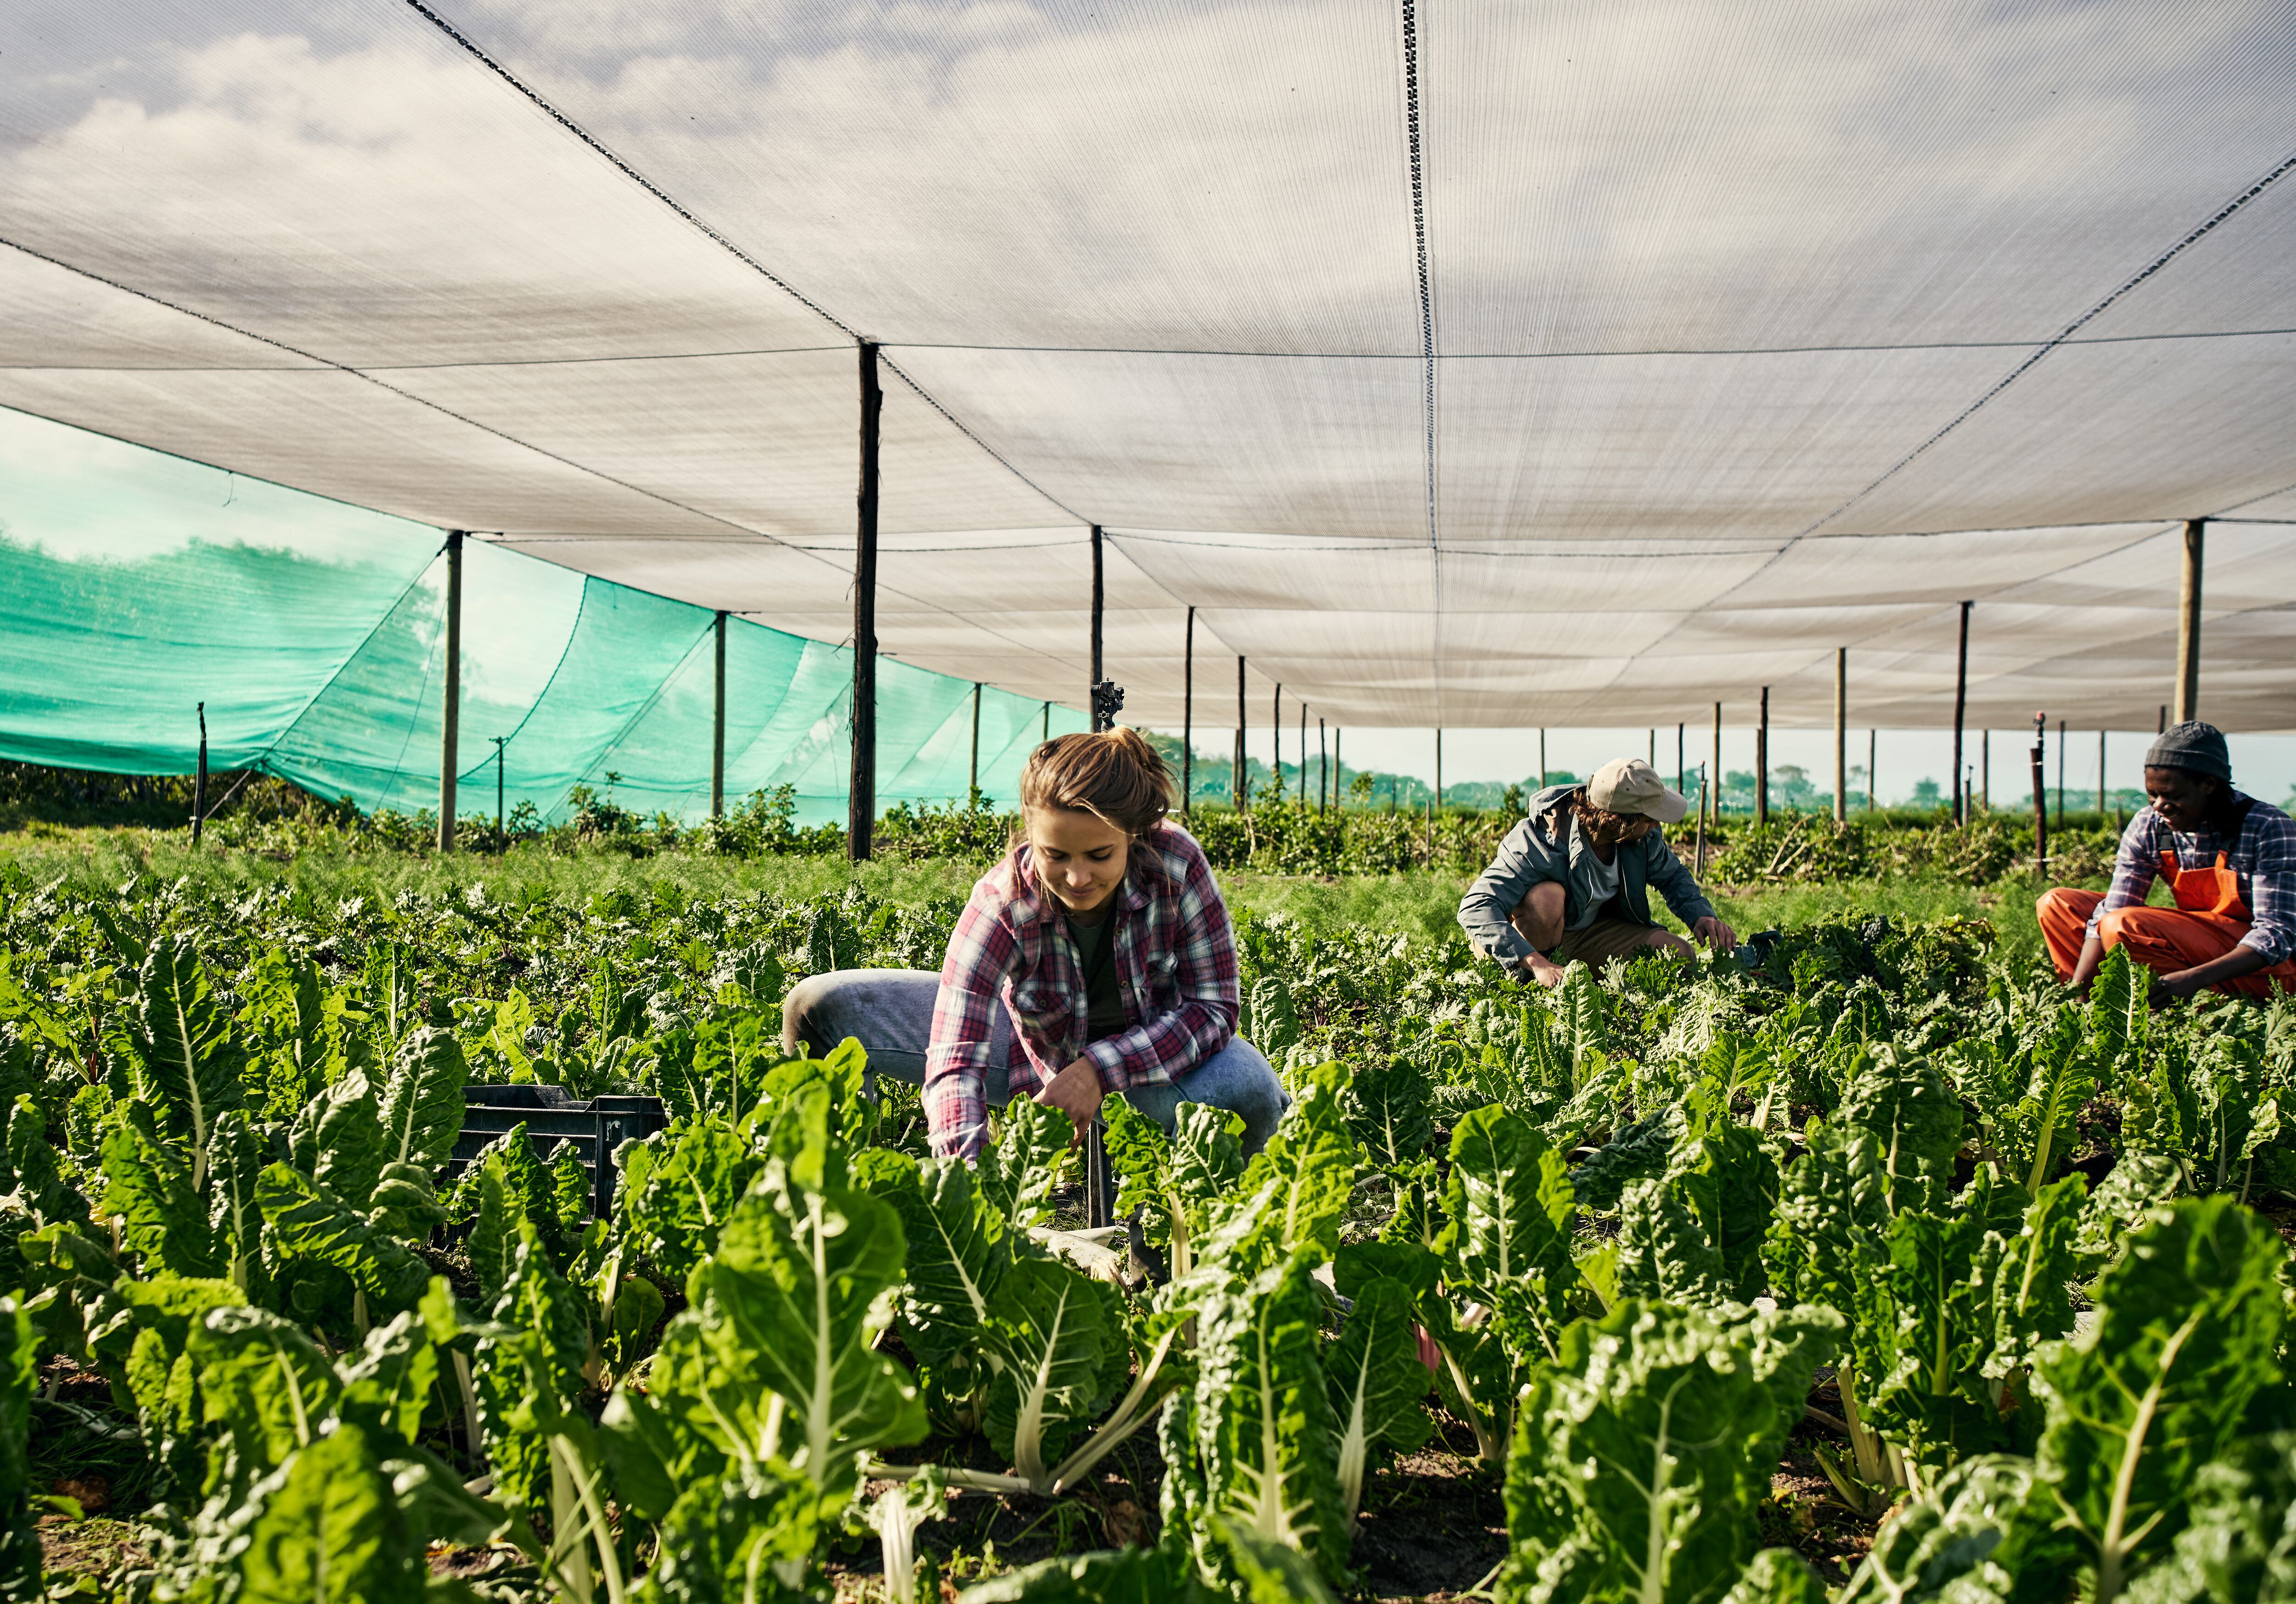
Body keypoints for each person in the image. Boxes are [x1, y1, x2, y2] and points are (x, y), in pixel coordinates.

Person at [781, 727, 1290, 1160]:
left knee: (1250, 1092)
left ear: (1133, 835)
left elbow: (1213, 1007)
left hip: (1151, 1055)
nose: (1077, 877)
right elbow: (956, 1059)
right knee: (820, 1008)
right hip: (1033, 1046)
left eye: (1099, 855)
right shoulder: (1002, 902)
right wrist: (965, 1192)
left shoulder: (1176, 863)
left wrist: (1098, 1071)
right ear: (1029, 834)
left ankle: (1182, 1232)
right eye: (1056, 855)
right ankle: (830, 1210)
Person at [2039, 720, 2296, 1000]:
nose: (2160, 806)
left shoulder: (2266, 826)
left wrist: (2195, 978)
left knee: (2122, 925)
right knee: (2058, 905)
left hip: (2269, 972)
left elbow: (2276, 934)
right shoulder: (2150, 824)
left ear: (2209, 785)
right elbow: (2115, 907)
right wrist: (2077, 994)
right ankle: (2093, 1002)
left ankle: (2191, 1005)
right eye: (2153, 795)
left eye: (2174, 796)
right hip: (2199, 943)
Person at [1458, 757, 1737, 987]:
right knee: (1547, 898)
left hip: (1583, 933)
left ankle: (1568, 976)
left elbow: (1673, 876)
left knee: (1679, 955)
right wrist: (1536, 963)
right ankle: (1526, 980)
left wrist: (1702, 916)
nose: (1656, 826)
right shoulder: (1538, 839)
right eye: (1649, 819)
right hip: (1526, 943)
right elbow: (1476, 906)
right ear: (1621, 822)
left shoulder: (1642, 838)